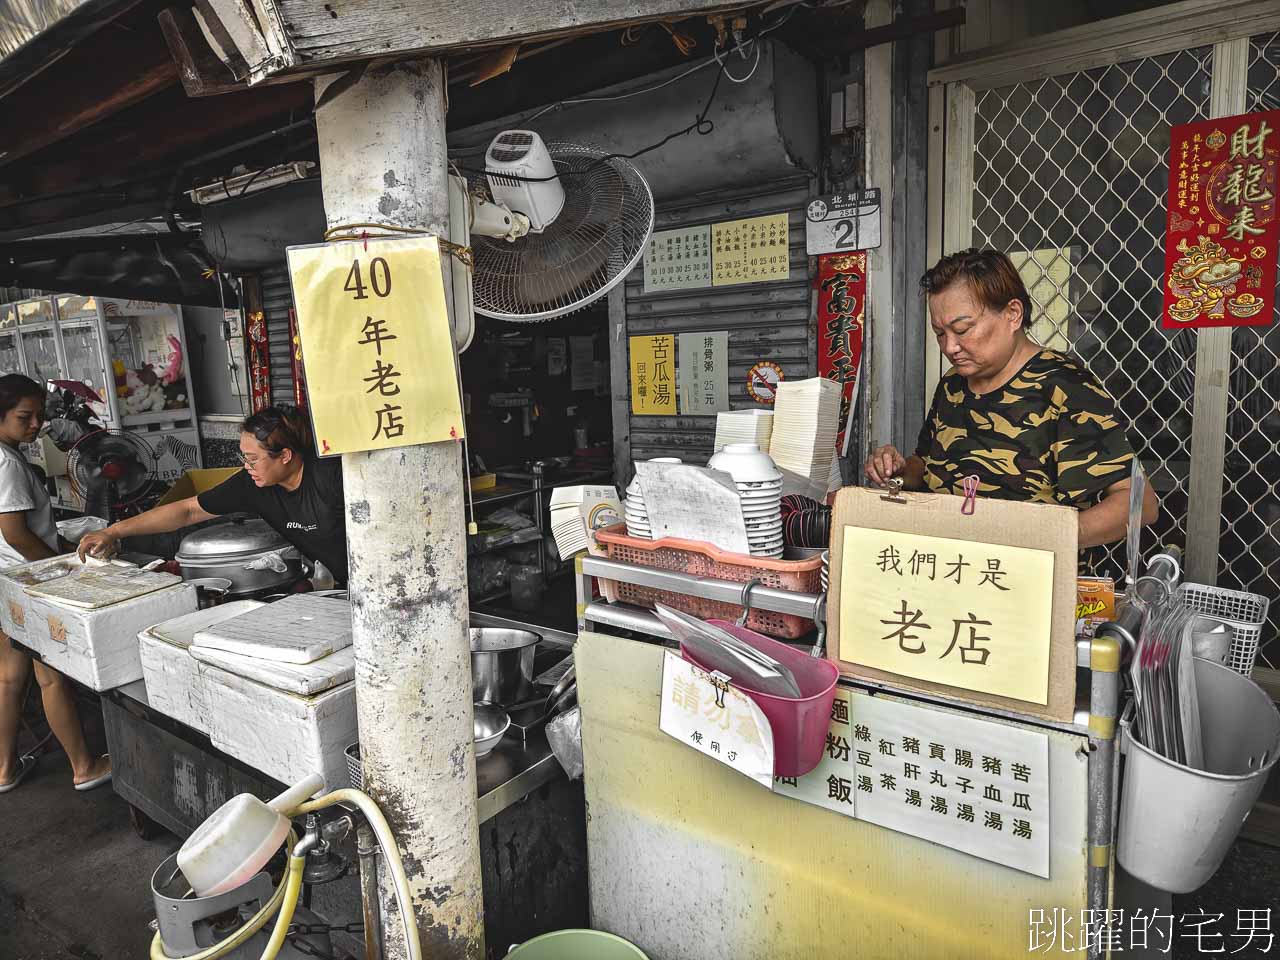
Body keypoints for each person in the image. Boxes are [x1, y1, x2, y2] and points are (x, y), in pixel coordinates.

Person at [865, 248, 1158, 550]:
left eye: (962, 329)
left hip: (1027, 580)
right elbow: (925, 464)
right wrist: (899, 471)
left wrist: (1045, 543)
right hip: (952, 567)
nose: (950, 347)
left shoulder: (1065, 386)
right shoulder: (953, 384)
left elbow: (1139, 502)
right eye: (940, 333)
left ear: (1012, 314)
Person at [79, 405, 348, 586]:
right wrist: (113, 532)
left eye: (253, 459)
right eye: (243, 457)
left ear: (286, 456)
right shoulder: (252, 483)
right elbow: (188, 510)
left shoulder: (332, 476)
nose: (246, 466)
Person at [0, 374, 112, 793]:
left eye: (38, 417)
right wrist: (60, 572)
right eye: (23, 417)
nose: (34, 426)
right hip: (29, 581)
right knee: (51, 678)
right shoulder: (8, 464)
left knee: (9, 679)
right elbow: (14, 532)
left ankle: (4, 769)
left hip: (7, 581)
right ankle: (84, 766)